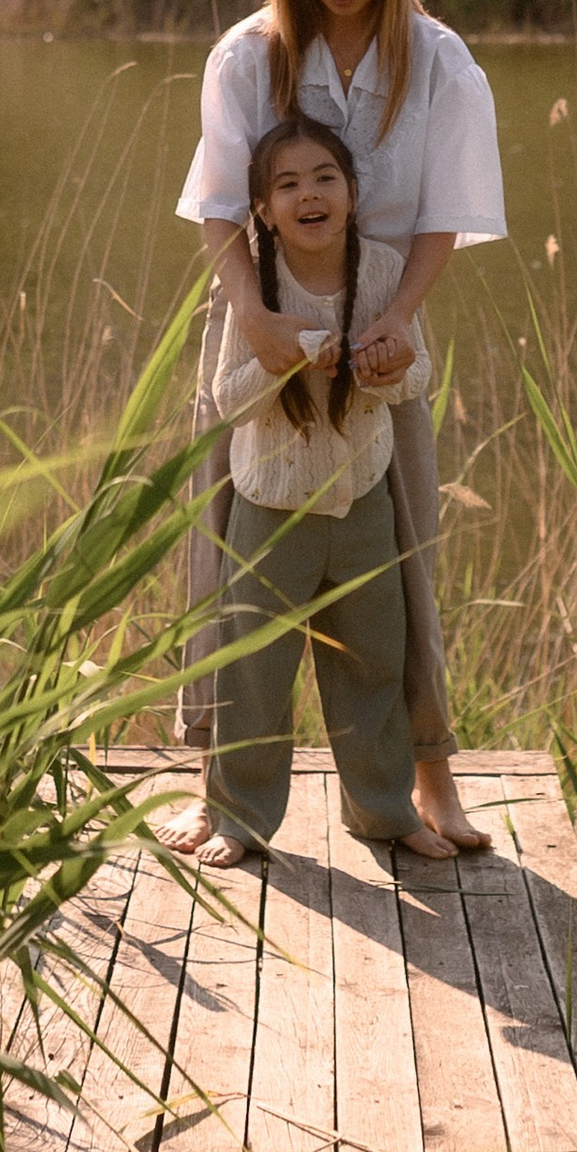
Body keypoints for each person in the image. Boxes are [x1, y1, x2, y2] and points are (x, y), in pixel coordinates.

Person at [164, 0, 506, 861]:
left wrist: (397, 319)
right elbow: (221, 210)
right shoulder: (248, 55)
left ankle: (423, 780)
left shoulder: (437, 59)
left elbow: (442, 216)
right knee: (229, 554)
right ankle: (217, 787)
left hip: (379, 324)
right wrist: (256, 323)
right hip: (255, 319)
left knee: (399, 562)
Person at [195, 115, 449, 864]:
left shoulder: (378, 272)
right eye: (287, 184)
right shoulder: (256, 288)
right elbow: (228, 400)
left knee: (372, 660)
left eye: (324, 178)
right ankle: (239, 817)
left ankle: (382, 808)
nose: (309, 195)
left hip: (361, 503)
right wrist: (287, 359)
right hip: (270, 512)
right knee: (254, 671)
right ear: (264, 211)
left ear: (353, 192)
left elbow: (420, 374)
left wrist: (391, 365)